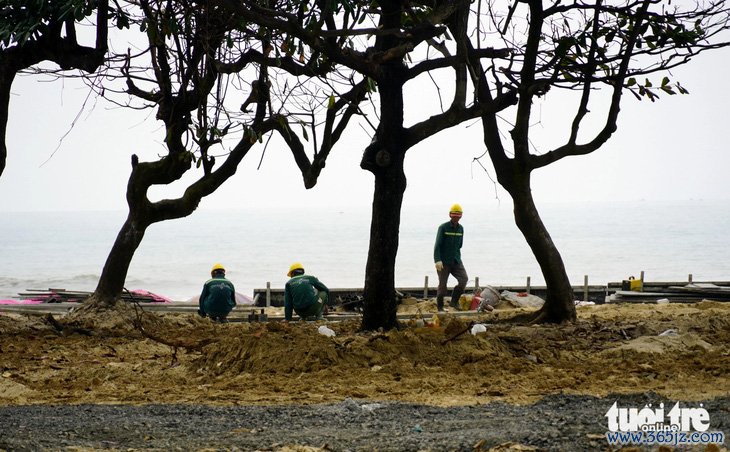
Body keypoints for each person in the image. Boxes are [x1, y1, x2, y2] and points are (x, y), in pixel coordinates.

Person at [433, 203, 468, 311]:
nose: (456, 216)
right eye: (454, 214)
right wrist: (437, 260)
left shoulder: (461, 228)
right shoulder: (443, 227)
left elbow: (460, 245)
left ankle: (454, 302)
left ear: (461, 216)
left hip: (456, 260)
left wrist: (456, 255)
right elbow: (437, 245)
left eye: (458, 214)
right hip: (444, 262)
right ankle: (440, 307)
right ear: (450, 215)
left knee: (463, 279)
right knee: (442, 286)